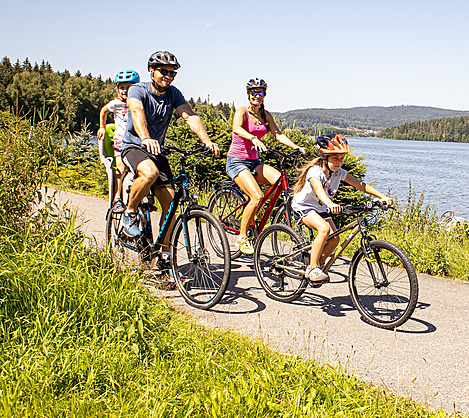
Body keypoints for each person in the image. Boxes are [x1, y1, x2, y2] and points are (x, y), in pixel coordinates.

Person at [120, 50, 220, 273]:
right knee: (149, 173)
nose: (168, 76)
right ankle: (130, 213)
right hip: (135, 146)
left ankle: (164, 257)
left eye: (172, 73)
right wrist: (145, 138)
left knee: (171, 204)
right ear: (151, 71)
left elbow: (190, 116)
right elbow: (136, 112)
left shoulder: (173, 93)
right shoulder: (139, 89)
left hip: (157, 151)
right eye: (163, 72)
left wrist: (206, 140)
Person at [291, 134, 393, 282]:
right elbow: (319, 191)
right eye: (335, 158)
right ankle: (312, 268)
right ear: (324, 158)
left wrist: (382, 196)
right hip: (304, 206)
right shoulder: (315, 172)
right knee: (324, 230)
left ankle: (319, 264)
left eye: (341, 158)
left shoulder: (338, 173)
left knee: (334, 238)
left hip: (320, 209)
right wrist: (330, 204)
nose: (339, 162)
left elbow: (360, 185)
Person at [226, 78, 306, 255]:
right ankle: (242, 236)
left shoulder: (265, 115)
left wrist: (296, 147)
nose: (257, 95)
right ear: (248, 94)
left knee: (280, 181)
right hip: (237, 161)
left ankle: (258, 211)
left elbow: (277, 134)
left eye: (260, 92)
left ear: (265, 95)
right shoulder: (241, 111)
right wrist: (252, 137)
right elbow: (236, 128)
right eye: (253, 92)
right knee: (256, 196)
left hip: (254, 162)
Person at [97, 69, 140, 212]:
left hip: (135, 142)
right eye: (122, 87)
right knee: (120, 170)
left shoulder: (138, 103)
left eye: (129, 87)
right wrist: (102, 127)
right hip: (120, 142)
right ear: (117, 89)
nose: (125, 90)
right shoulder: (116, 104)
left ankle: (140, 198)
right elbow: (103, 111)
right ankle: (117, 199)